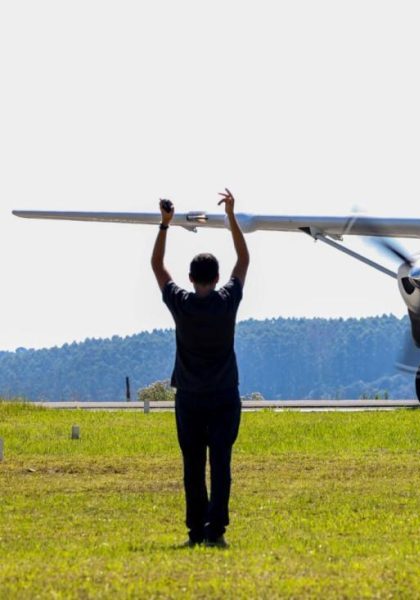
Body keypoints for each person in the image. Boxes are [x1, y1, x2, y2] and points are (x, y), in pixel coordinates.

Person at [151, 188, 250, 548]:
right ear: (217, 276)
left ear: (191, 279)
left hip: (190, 397)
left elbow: (158, 268)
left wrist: (165, 226)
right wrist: (232, 218)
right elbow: (244, 260)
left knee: (193, 466)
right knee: (220, 464)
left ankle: (195, 531)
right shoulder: (228, 301)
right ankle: (216, 531)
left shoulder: (182, 304)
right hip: (224, 395)